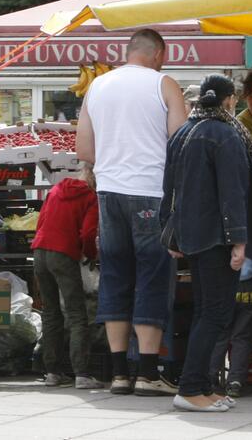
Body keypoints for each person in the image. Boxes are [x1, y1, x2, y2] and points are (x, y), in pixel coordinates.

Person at [76, 28, 188, 396]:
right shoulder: (164, 85)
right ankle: (148, 372)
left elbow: (85, 149)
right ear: (158, 53)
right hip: (151, 194)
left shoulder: (98, 86)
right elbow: (181, 143)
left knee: (116, 276)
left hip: (109, 194)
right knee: (153, 277)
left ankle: (120, 373)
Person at [161, 74, 252, 412]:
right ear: (230, 100)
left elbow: (169, 189)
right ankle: (191, 388)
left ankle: (204, 386)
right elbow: (232, 191)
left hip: (193, 236)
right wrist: (239, 241)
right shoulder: (225, 133)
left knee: (205, 311)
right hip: (218, 237)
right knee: (216, 313)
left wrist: (170, 232)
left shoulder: (184, 132)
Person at [31, 163, 103, 390]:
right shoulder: (91, 197)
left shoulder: (56, 189)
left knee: (51, 313)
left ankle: (52, 372)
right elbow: (89, 233)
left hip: (40, 251)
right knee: (76, 313)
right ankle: (81, 373)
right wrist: (91, 256)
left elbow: (41, 221)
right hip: (63, 254)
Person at [209, 257, 252, 398]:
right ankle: (235, 382)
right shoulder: (251, 236)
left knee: (220, 335)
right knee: (242, 337)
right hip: (248, 287)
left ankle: (210, 377)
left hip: (222, 286)